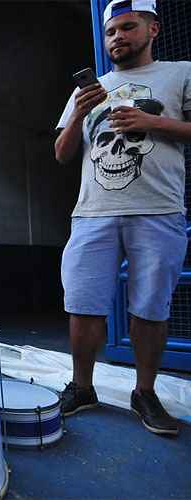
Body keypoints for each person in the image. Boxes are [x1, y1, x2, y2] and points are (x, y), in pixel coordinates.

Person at [54, 0, 191, 436]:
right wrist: (78, 111)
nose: (118, 37)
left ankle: (144, 392)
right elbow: (61, 153)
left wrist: (154, 124)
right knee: (82, 303)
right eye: (112, 31)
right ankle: (82, 387)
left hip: (158, 207)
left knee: (150, 307)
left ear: (153, 29)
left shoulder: (180, 73)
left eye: (128, 28)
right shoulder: (91, 90)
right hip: (93, 212)